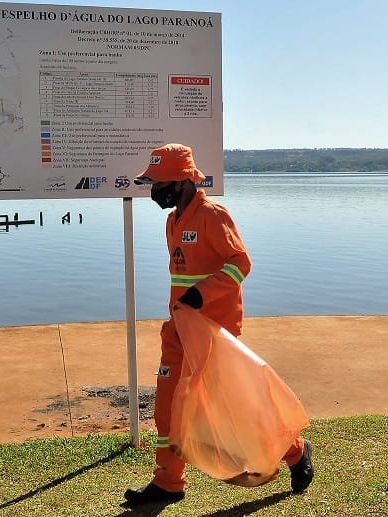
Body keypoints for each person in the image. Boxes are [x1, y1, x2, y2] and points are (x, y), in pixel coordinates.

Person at [123, 143, 314, 505]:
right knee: (167, 406)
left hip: (214, 333)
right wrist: (185, 306)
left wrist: (202, 294)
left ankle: (295, 450)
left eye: (159, 184)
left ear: (182, 182)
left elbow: (240, 263)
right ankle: (168, 482)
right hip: (179, 331)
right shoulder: (173, 221)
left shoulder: (214, 216)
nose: (153, 191)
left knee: (236, 411)